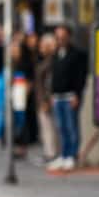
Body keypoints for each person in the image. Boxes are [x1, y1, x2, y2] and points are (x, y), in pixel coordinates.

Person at [48, 25, 88, 171]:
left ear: (69, 37)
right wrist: (52, 94)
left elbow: (81, 77)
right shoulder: (55, 54)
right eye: (58, 37)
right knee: (61, 128)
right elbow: (53, 76)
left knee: (72, 127)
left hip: (70, 96)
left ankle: (72, 155)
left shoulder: (77, 54)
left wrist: (77, 94)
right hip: (57, 97)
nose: (60, 39)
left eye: (63, 36)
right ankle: (64, 155)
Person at [34, 32, 59, 163]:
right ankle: (49, 152)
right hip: (42, 99)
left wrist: (45, 100)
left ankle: (52, 153)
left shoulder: (51, 63)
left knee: (50, 128)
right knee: (46, 127)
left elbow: (48, 83)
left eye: (43, 46)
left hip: (46, 100)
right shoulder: (45, 61)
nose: (41, 48)